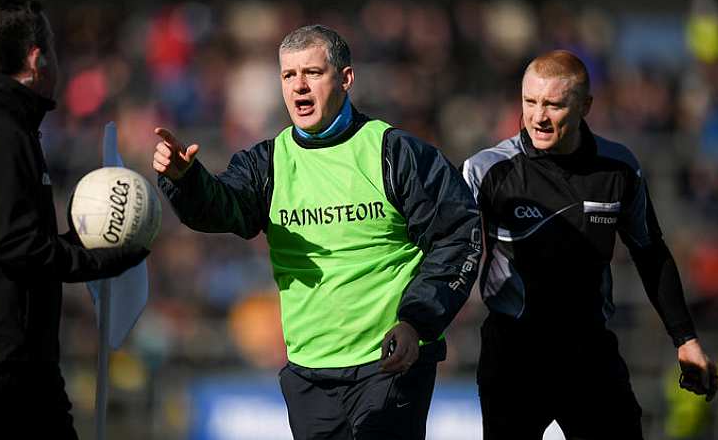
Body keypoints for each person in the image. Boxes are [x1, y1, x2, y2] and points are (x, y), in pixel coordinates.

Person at [153, 24, 481, 439]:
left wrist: (417, 322)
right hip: (310, 374)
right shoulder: (268, 162)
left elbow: (458, 234)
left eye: (313, 73)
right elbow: (223, 209)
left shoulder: (395, 153)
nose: (299, 87)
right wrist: (186, 180)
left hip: (391, 362)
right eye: (289, 76)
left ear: (345, 79)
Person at [462, 50, 718, 439]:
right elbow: (448, 251)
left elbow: (650, 252)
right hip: (514, 356)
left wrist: (685, 338)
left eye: (554, 104)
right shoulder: (486, 170)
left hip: (589, 353)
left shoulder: (618, 168)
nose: (538, 116)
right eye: (530, 102)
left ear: (585, 106)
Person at [0, 0, 148, 439]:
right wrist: (100, 261)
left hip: (19, 365)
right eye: (52, 47)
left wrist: (78, 243)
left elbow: (17, 238)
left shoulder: (4, 124)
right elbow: (10, 245)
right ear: (36, 59)